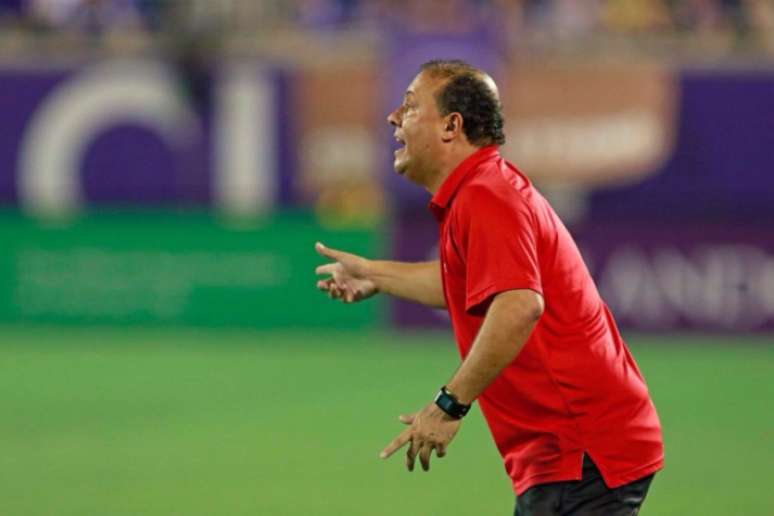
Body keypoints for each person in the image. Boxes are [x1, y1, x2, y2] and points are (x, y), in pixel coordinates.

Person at [314, 59, 664, 516]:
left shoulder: (486, 194)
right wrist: (374, 275)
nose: (394, 117)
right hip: (578, 449)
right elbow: (467, 285)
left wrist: (448, 405)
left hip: (579, 449)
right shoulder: (482, 188)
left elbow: (519, 305)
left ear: (451, 126)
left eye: (410, 105)